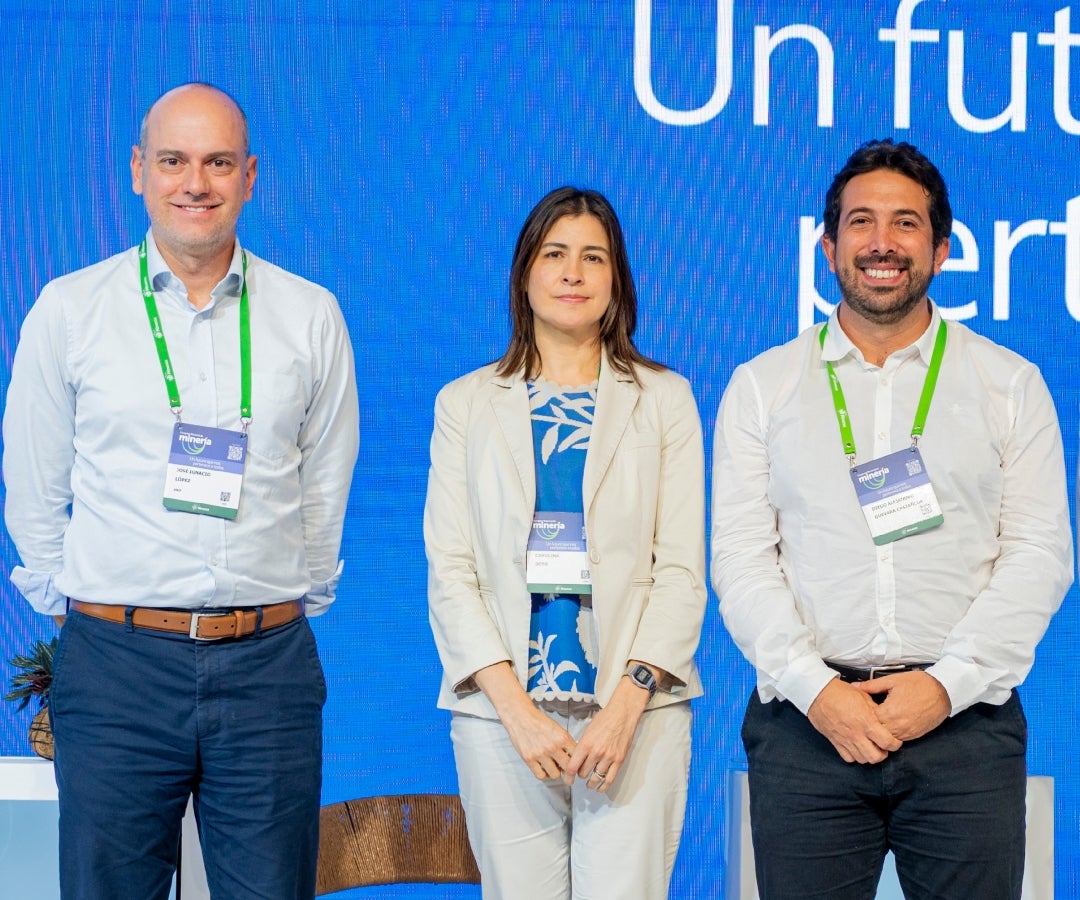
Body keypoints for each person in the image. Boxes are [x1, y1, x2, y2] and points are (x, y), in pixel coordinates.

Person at [2, 83, 359, 899]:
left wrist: (277, 600)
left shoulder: (310, 316)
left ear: (250, 175)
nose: (195, 183)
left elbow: (324, 487)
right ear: (138, 171)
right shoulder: (70, 311)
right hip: (116, 667)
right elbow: (33, 488)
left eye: (217, 162)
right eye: (173, 161)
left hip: (266, 667)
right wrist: (96, 610)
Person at [710, 138, 1072, 900]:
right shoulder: (762, 387)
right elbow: (742, 562)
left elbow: (1040, 554)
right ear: (827, 245)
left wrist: (945, 687)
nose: (882, 243)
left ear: (941, 249)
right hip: (807, 731)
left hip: (964, 732)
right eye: (861, 222)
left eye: (905, 224)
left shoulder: (1009, 384)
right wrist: (817, 691)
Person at [424, 186, 707, 899]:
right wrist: (516, 713)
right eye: (554, 255)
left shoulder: (664, 398)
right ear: (526, 274)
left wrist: (625, 706)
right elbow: (451, 571)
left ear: (617, 282)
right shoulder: (465, 403)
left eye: (593, 257)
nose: (573, 273)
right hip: (503, 718)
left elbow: (680, 571)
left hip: (634, 716)